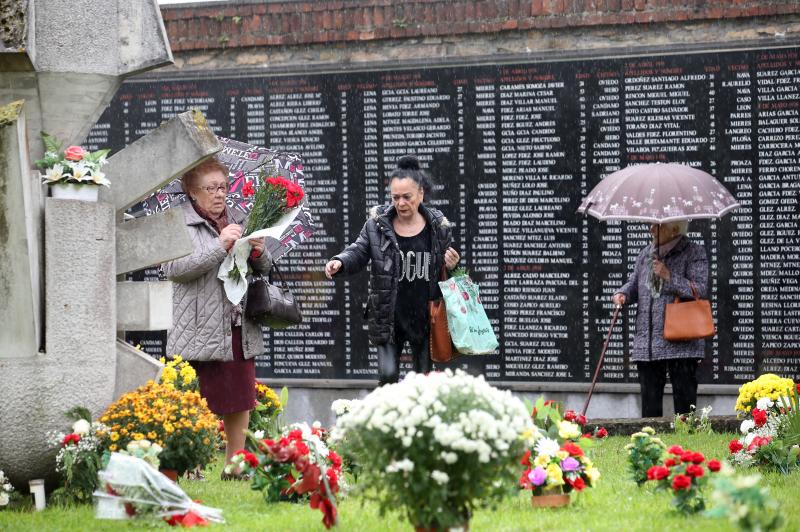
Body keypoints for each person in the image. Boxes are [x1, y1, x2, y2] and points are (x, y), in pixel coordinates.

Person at [162, 158, 271, 477]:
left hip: (237, 324)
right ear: (193, 192)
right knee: (199, 400)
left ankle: (234, 465)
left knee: (240, 397)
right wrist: (219, 245)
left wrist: (258, 250)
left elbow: (262, 269)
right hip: (198, 326)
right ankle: (192, 465)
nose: (219, 194)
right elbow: (175, 270)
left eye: (223, 187)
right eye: (211, 188)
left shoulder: (239, 219)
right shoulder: (177, 222)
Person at [325, 155, 460, 385]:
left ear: (420, 194)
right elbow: (359, 250)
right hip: (388, 317)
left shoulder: (438, 227)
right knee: (387, 378)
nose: (400, 203)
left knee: (424, 383)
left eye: (407, 197)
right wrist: (340, 261)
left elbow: (452, 271)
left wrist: (453, 264)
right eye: (395, 197)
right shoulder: (377, 225)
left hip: (425, 318)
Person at [612, 221, 709, 418]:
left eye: (656, 226)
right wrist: (623, 294)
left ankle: (687, 443)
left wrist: (668, 276)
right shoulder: (646, 253)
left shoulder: (694, 252)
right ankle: (649, 443)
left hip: (681, 343)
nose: (650, 229)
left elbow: (699, 289)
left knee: (685, 408)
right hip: (647, 344)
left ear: (674, 229)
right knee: (649, 410)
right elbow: (634, 284)